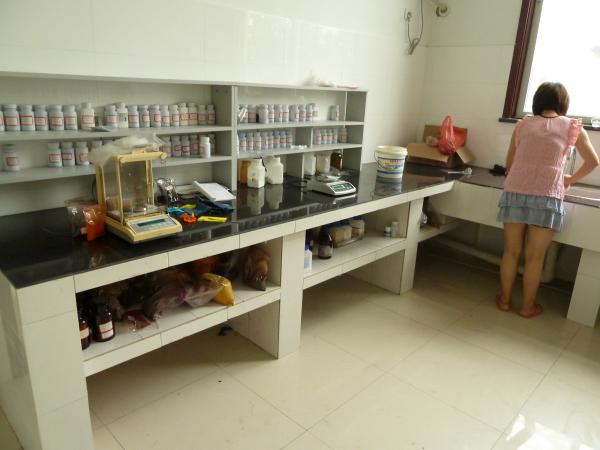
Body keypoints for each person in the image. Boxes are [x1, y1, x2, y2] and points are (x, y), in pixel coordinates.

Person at [497, 82, 599, 318]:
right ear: (563, 104)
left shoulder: (523, 124)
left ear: (537, 102)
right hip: (547, 195)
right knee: (535, 258)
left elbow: (510, 164)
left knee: (511, 252)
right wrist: (570, 178)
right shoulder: (572, 126)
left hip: (515, 192)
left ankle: (504, 301)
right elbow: (593, 161)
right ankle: (527, 307)